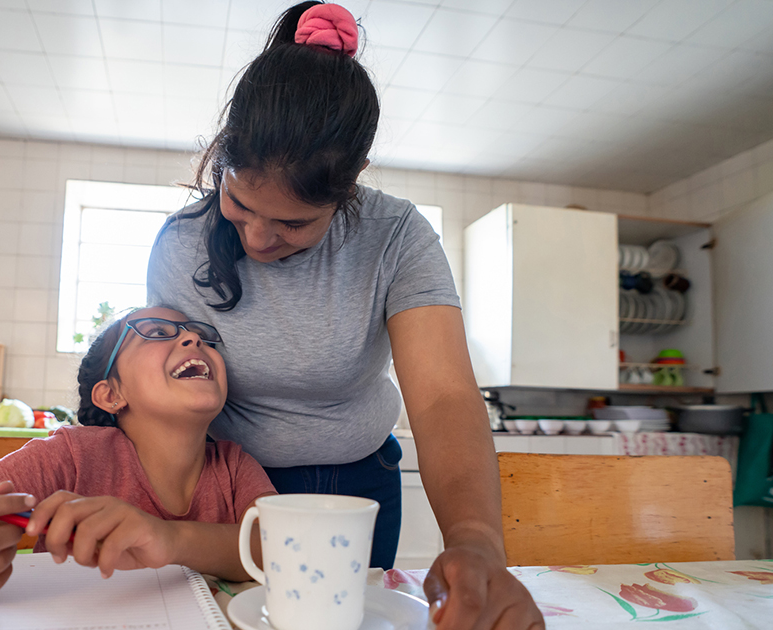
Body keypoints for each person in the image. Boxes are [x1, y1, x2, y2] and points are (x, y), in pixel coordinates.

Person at [146, 2, 543, 628]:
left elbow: (441, 397)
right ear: (223, 157)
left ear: (351, 182)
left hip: (355, 491)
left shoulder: (398, 238)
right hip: (225, 488)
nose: (256, 239)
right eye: (240, 203)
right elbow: (158, 392)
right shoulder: (180, 244)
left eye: (293, 223)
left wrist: (473, 540)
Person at [0, 306, 277, 608]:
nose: (192, 337)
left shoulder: (235, 465)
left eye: (202, 336)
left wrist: (165, 539)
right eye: (158, 332)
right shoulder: (71, 456)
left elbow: (279, 549)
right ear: (111, 394)